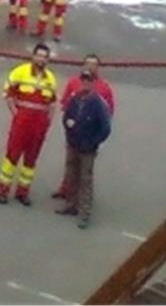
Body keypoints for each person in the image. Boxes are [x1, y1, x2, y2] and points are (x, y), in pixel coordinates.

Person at [0, 41, 58, 206]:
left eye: (45, 57)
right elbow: (8, 93)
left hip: (39, 127)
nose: (41, 59)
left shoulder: (51, 79)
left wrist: (48, 122)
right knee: (12, 156)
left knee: (31, 160)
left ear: (48, 60)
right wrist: (16, 114)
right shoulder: (20, 72)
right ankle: (3, 190)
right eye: (39, 55)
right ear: (33, 56)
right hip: (22, 123)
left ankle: (22, 192)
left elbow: (52, 103)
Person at [53, 54, 116, 201]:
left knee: (85, 169)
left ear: (98, 67)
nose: (90, 66)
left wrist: (97, 138)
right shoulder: (74, 82)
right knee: (70, 164)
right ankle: (66, 190)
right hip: (74, 133)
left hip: (90, 136)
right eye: (87, 63)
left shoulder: (104, 88)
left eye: (93, 64)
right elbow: (65, 104)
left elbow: (109, 112)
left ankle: (81, 199)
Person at [56, 68, 112, 228]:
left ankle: (84, 214)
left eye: (89, 80)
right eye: (84, 79)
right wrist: (69, 132)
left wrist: (93, 142)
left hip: (88, 149)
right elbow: (66, 116)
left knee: (86, 180)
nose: (86, 82)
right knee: (71, 175)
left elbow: (105, 128)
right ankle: (70, 206)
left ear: (94, 83)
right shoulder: (75, 99)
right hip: (73, 145)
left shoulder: (98, 104)